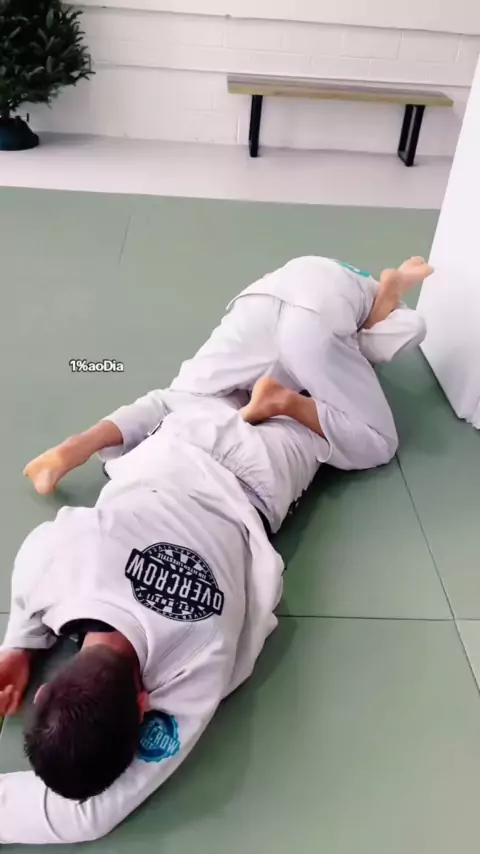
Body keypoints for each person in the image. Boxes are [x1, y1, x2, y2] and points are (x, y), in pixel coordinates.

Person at [0, 255, 431, 845]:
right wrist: (19, 642)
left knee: (369, 435)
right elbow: (37, 577)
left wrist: (20, 647)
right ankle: (350, 324)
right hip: (183, 430)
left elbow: (85, 815)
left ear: (145, 703)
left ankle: (346, 336)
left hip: (262, 469)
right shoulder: (53, 563)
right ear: (49, 689)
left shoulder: (197, 663)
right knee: (273, 363)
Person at [23, 255, 432, 495]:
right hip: (316, 320)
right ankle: (285, 402)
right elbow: (379, 332)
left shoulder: (342, 272)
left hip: (259, 302)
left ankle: (78, 445)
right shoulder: (389, 311)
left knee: (177, 398)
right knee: (379, 441)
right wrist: (393, 291)